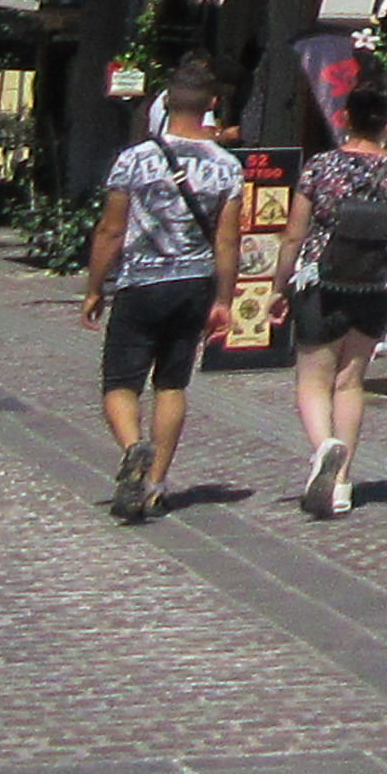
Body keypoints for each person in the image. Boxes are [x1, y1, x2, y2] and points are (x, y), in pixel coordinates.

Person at [78, 71, 246, 523]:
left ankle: (134, 447)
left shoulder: (134, 159)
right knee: (172, 384)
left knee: (120, 383)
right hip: (194, 285)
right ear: (211, 104)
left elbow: (111, 229)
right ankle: (154, 484)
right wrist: (224, 299)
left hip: (140, 283)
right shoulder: (228, 166)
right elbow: (228, 241)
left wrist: (95, 287)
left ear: (166, 102)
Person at [289, 76, 387, 517]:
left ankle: (324, 446)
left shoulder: (320, 167)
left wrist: (276, 286)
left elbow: (294, 234)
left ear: (345, 117)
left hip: (320, 283)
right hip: (373, 286)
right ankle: (343, 483)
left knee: (313, 380)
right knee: (350, 382)